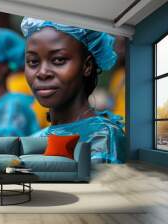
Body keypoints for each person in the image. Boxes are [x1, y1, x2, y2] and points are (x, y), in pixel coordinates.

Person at [21, 17, 125, 163]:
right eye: (33, 62)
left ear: (87, 66)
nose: (42, 72)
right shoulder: (36, 139)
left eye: (58, 60)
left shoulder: (102, 137)